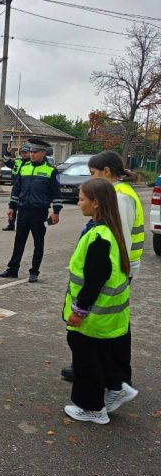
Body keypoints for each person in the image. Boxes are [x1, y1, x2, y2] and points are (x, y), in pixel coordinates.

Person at [61, 150, 144, 383]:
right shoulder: (115, 193)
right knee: (104, 324)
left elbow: (121, 237)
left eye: (93, 174)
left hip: (115, 270)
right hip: (116, 268)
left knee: (108, 325)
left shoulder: (120, 196)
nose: (91, 179)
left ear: (107, 172)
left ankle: (113, 377)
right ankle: (99, 371)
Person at [63, 178, 136, 424]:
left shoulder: (99, 238)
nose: (78, 202)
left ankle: (92, 408)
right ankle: (117, 386)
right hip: (108, 316)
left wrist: (79, 310)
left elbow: (94, 280)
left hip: (94, 314)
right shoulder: (108, 230)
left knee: (84, 357)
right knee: (100, 353)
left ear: (96, 203)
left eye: (82, 199)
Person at [0, 138, 63, 282]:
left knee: (38, 243)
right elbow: (16, 189)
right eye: (31, 151)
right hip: (23, 211)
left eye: (35, 152)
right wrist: (11, 207)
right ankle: (13, 269)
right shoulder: (24, 168)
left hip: (40, 212)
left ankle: (34, 271)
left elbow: (56, 193)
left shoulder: (51, 171)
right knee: (19, 241)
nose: (32, 154)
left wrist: (56, 212)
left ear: (43, 153)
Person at [2, 145, 31, 231]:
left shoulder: (32, 163)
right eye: (22, 153)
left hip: (26, 189)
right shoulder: (17, 161)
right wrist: (8, 152)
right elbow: (6, 162)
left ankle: (25, 225)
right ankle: (11, 224)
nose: (23, 154)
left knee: (24, 208)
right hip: (16, 187)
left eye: (25, 153)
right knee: (13, 206)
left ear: (29, 153)